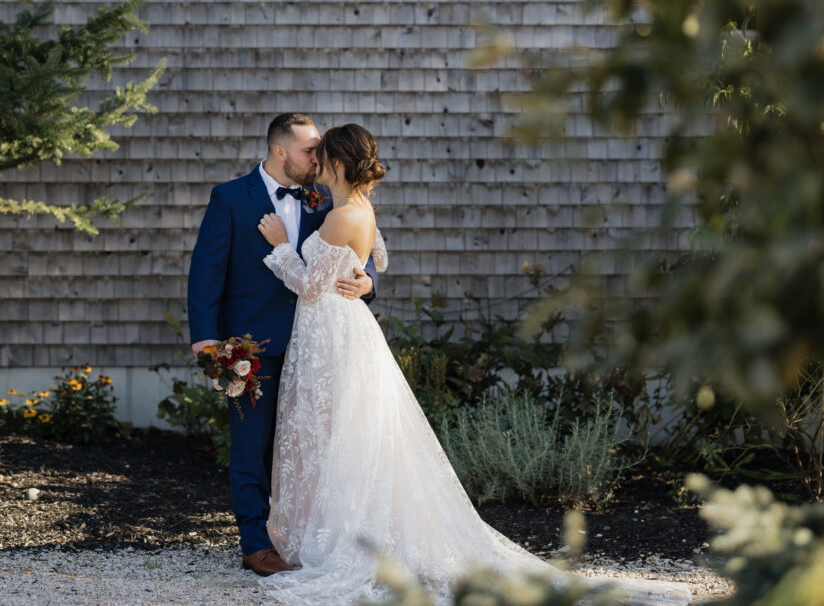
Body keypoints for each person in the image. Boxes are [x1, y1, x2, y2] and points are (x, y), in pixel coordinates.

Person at [255, 123, 693, 604]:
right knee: (346, 435)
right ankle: (330, 532)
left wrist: (280, 245)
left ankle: (341, 541)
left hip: (331, 333)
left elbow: (311, 286)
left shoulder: (341, 217)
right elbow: (378, 253)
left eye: (321, 158)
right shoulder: (360, 209)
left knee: (338, 434)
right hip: (340, 330)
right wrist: (361, 278)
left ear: (336, 164)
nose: (314, 165)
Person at [187, 113, 380, 577]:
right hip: (253, 348)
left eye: (321, 151)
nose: (319, 158)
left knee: (308, 451)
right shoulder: (231, 198)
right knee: (251, 447)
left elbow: (362, 253)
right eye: (310, 151)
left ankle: (302, 536)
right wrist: (206, 342)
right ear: (280, 151)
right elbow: (205, 273)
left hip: (319, 349)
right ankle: (255, 543)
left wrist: (366, 283)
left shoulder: (327, 197)